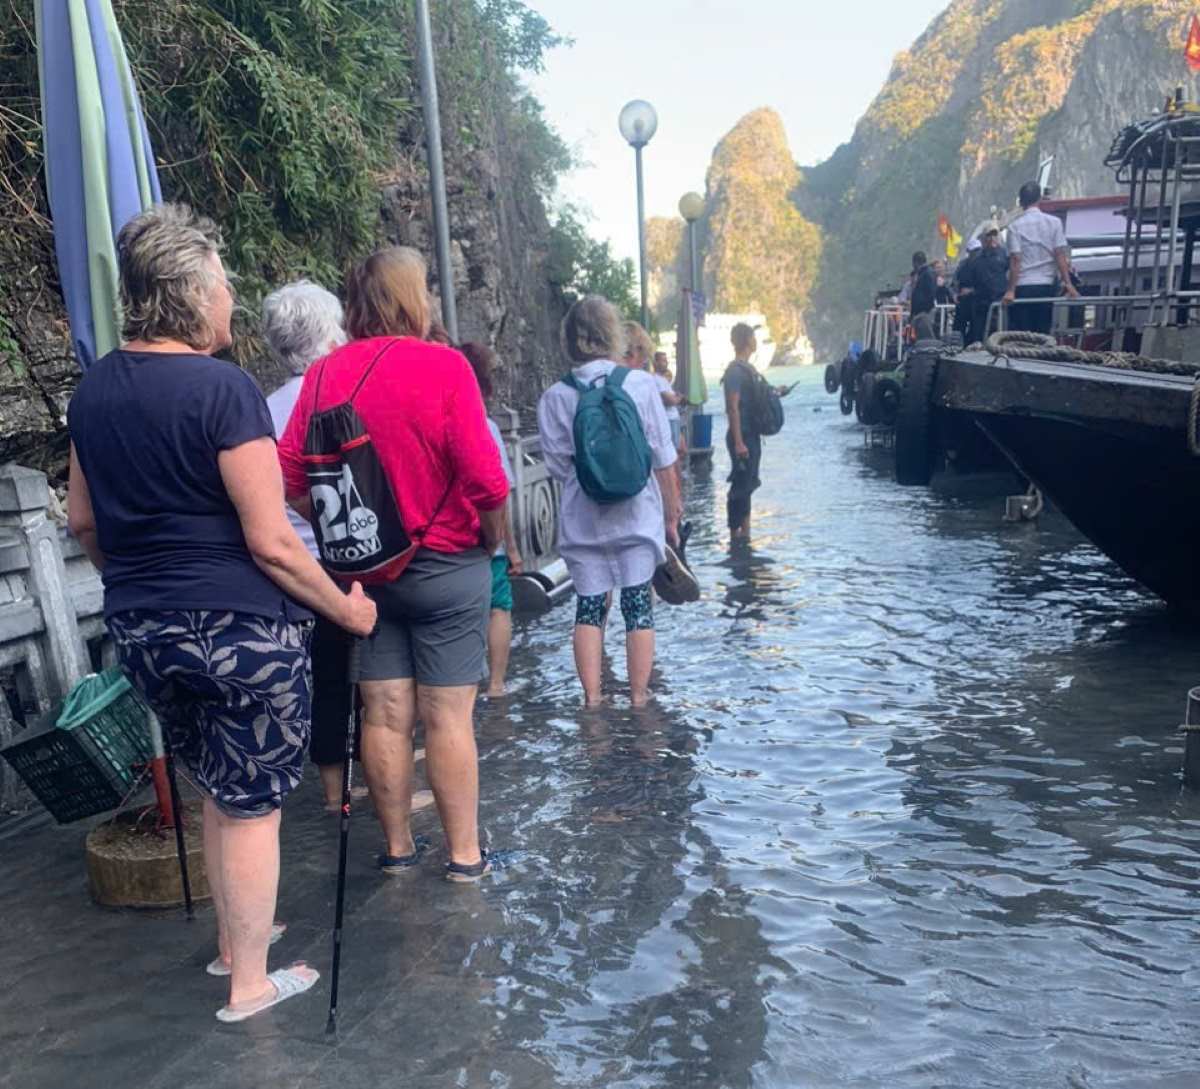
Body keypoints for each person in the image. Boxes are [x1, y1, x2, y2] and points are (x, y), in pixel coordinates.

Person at [67, 203, 376, 1022]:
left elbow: (83, 523)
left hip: (141, 625)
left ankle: (234, 947)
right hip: (239, 630)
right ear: (196, 291)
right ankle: (251, 984)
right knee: (253, 803)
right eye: (225, 285)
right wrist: (344, 611)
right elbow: (272, 541)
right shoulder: (223, 389)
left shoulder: (93, 388)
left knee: (218, 786)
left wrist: (137, 585)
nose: (232, 300)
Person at [278, 246, 509, 882]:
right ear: (415, 297)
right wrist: (487, 544)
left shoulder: (323, 376)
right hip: (446, 565)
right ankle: (464, 855)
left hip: (364, 575)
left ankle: (399, 850)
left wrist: (337, 524)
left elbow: (289, 473)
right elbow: (487, 480)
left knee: (382, 713)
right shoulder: (445, 367)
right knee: (447, 715)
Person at [537, 296, 682, 707]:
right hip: (636, 517)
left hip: (583, 521)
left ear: (568, 339)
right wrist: (671, 515)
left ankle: (593, 700)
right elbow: (663, 456)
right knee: (637, 607)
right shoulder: (639, 384)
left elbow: (559, 466)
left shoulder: (554, 397)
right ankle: (638, 699)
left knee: (589, 608)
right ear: (612, 334)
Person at [262, 280, 360, 813]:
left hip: (284, 566)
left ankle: (331, 785)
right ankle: (352, 786)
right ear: (328, 333)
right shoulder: (339, 397)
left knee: (320, 678)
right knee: (355, 674)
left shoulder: (263, 407)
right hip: (342, 559)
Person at [459, 341, 522, 698]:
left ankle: (463, 687)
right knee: (498, 606)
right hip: (484, 539)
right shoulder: (484, 427)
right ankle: (496, 685)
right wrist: (509, 547)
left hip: (445, 542)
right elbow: (500, 493)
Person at [1003, 181, 1079, 334]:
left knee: (1022, 335)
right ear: (1040, 199)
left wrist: (1010, 290)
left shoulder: (1014, 227)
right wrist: (1068, 283)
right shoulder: (1054, 223)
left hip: (1022, 287)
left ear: (1021, 202)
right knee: (1042, 332)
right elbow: (1059, 255)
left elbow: (1016, 260)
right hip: (1046, 286)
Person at [721, 322, 772, 541]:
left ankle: (746, 533)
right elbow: (732, 407)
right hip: (741, 435)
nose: (756, 341)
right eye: (753, 337)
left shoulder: (748, 369)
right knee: (740, 485)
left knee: (749, 483)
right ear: (746, 341)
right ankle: (734, 535)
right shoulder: (734, 372)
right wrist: (739, 442)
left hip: (750, 434)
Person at [972, 228, 1009, 345]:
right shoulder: (977, 259)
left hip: (1000, 298)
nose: (992, 238)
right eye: (989, 235)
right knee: (981, 330)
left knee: (1002, 330)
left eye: (994, 235)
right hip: (982, 300)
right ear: (983, 239)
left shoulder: (1005, 254)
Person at [652, 350, 684, 457]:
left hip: (673, 418)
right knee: (672, 451)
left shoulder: (663, 380)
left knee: (677, 449)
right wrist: (679, 397)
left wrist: (676, 397)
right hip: (668, 419)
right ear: (655, 363)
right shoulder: (656, 379)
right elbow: (671, 401)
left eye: (667, 360)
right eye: (663, 360)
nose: (667, 363)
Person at [953, 238, 982, 340]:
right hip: (963, 302)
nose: (976, 253)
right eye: (973, 251)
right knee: (958, 327)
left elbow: (985, 284)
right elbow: (955, 281)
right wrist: (955, 294)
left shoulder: (983, 264)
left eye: (978, 250)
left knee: (976, 328)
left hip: (977, 301)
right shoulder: (962, 265)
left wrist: (971, 290)